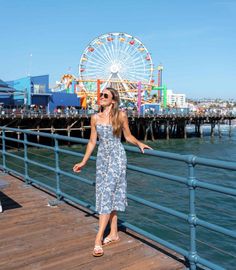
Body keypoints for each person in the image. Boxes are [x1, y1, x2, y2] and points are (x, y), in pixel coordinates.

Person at [73, 87, 152, 257]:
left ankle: (98, 238)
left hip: (117, 158)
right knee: (106, 193)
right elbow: (92, 142)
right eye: (101, 94)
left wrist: (139, 144)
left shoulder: (121, 115)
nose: (101, 97)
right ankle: (114, 233)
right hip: (102, 159)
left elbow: (128, 136)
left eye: (105, 96)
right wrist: (83, 161)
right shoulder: (94, 118)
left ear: (113, 100)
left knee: (107, 194)